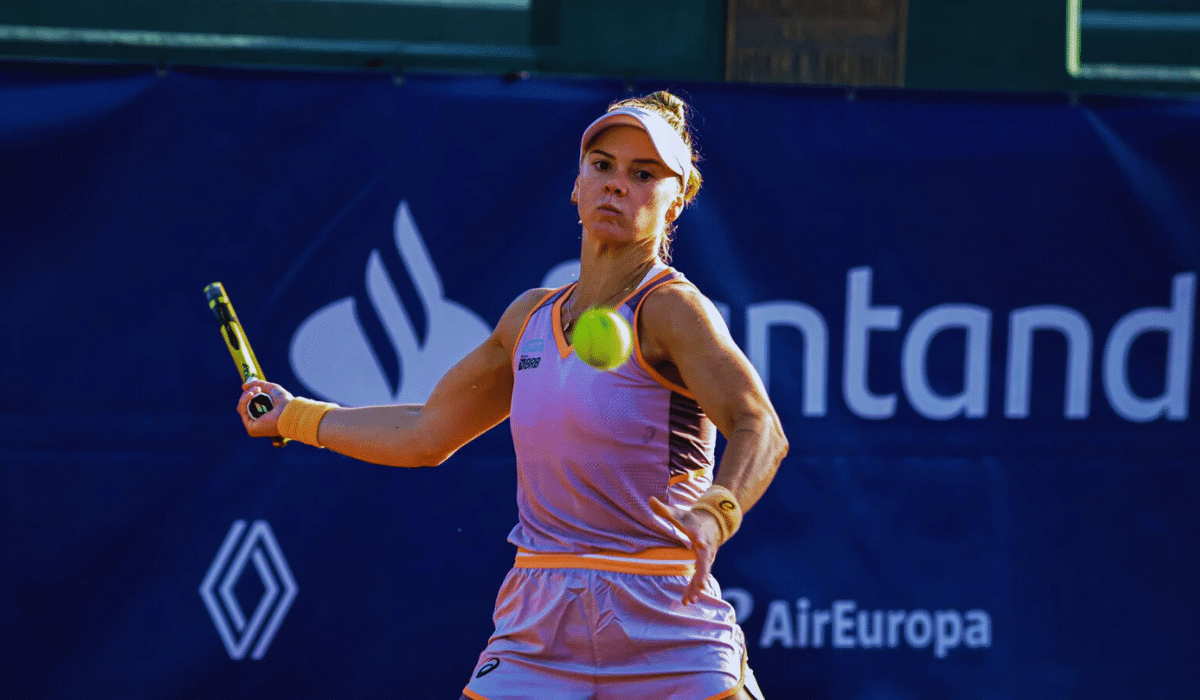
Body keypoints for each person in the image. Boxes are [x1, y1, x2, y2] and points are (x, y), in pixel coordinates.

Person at [238, 90, 788, 700]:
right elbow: (427, 431)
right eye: (601, 166)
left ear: (675, 202)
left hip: (664, 611)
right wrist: (293, 416)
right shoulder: (527, 319)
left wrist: (716, 514)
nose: (616, 185)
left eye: (643, 174)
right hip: (539, 620)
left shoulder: (673, 311)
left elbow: (758, 425)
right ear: (576, 185)